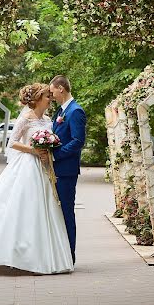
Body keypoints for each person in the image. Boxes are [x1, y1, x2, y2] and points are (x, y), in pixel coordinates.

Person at [0, 83, 73, 275]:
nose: (50, 99)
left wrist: (48, 151)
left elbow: (53, 141)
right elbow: (12, 142)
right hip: (27, 166)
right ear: (38, 99)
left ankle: (43, 256)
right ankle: (16, 253)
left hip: (44, 168)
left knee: (44, 209)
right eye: (47, 96)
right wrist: (34, 150)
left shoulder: (49, 120)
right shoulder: (25, 118)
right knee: (25, 207)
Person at [50, 75, 87, 265]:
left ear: (61, 88)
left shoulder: (76, 111)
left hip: (66, 171)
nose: (51, 94)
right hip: (56, 169)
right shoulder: (61, 111)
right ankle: (60, 254)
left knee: (66, 212)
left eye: (53, 91)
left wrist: (56, 155)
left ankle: (69, 257)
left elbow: (78, 141)